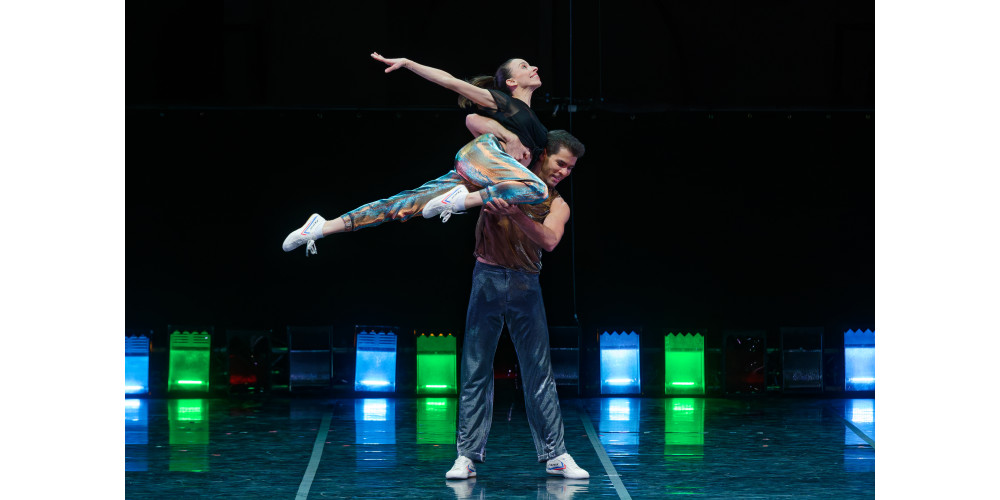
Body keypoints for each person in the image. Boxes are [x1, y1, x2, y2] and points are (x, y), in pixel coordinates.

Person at [282, 53, 551, 256]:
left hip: (483, 175)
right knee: (537, 190)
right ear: (512, 81)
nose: (534, 67)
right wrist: (409, 63)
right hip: (482, 156)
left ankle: (322, 227)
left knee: (402, 206)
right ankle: (460, 201)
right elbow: (451, 82)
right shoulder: (504, 102)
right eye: (525, 66)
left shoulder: (535, 124)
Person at [445, 125, 590, 481]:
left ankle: (555, 454)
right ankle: (465, 455)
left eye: (570, 168)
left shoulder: (556, 203)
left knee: (539, 373)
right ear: (543, 155)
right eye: (560, 163)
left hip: (526, 286)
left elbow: (550, 241)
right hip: (487, 278)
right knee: (475, 369)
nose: (564, 172)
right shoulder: (501, 175)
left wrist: (515, 214)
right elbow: (480, 127)